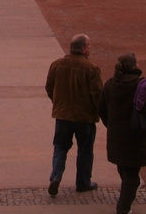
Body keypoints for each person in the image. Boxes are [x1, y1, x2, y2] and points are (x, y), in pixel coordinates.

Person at [45, 33, 103, 197]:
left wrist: (58, 104)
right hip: (84, 118)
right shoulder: (91, 69)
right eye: (89, 46)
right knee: (85, 150)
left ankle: (56, 176)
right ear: (84, 49)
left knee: (60, 148)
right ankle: (83, 182)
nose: (90, 48)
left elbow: (49, 87)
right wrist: (98, 113)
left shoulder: (57, 65)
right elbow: (97, 96)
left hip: (63, 116)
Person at [99, 53, 146, 214]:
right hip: (136, 136)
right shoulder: (140, 85)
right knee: (132, 175)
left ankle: (126, 198)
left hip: (117, 135)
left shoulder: (110, 85)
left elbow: (102, 109)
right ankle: (123, 208)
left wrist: (111, 125)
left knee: (124, 168)